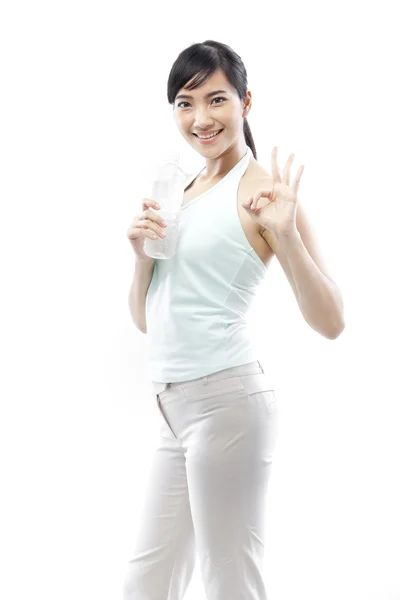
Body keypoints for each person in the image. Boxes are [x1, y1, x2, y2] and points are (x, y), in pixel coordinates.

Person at [124, 40, 345, 600]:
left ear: (246, 102)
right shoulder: (184, 189)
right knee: (145, 584)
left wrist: (288, 237)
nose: (201, 118)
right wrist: (140, 260)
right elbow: (149, 321)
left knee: (230, 584)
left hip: (227, 407)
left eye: (216, 99)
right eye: (185, 102)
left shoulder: (263, 192)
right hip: (171, 410)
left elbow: (332, 321)